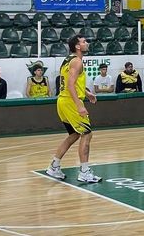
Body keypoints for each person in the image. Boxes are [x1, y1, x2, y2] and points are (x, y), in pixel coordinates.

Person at [46, 35, 101, 183]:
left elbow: (72, 82)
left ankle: (54, 166)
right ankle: (84, 172)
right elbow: (70, 84)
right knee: (87, 134)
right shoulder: (77, 61)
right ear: (77, 46)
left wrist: (87, 93)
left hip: (62, 101)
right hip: (70, 102)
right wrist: (79, 105)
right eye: (84, 42)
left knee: (74, 135)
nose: (86, 43)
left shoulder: (68, 60)